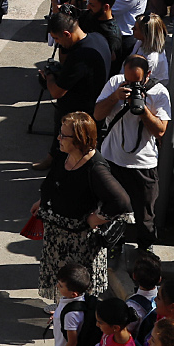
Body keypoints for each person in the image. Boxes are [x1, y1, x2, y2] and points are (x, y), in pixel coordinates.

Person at [34, 113, 133, 300]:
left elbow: (121, 201)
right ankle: (62, 307)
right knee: (61, 282)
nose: (58, 138)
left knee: (74, 286)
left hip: (78, 244)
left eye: (64, 135)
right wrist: (43, 202)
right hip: (57, 238)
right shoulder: (64, 154)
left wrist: (95, 219)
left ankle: (73, 313)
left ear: (79, 139)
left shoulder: (95, 168)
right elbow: (57, 182)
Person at [94, 55, 171, 248]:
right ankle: (113, 246)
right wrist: (115, 97)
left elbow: (161, 131)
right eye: (128, 80)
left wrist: (143, 109)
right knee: (111, 209)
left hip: (143, 164)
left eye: (136, 82)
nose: (131, 85)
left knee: (145, 214)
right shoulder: (115, 83)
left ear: (148, 75)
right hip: (112, 159)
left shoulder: (159, 92)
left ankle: (145, 249)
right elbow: (97, 114)